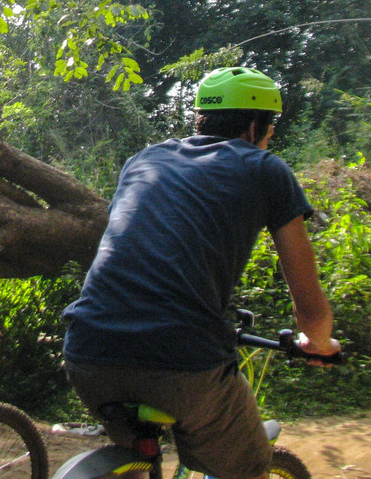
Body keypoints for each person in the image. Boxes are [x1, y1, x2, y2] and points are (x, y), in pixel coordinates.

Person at [61, 66, 340, 479]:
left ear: (200, 119)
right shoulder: (265, 168)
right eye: (270, 127)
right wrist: (317, 343)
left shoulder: (143, 160)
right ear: (254, 125)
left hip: (87, 355)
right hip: (184, 363)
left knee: (140, 457)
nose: (271, 136)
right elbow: (312, 313)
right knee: (248, 468)